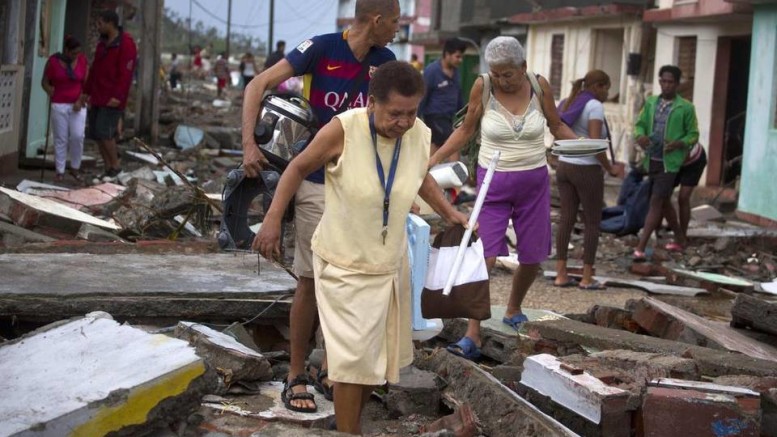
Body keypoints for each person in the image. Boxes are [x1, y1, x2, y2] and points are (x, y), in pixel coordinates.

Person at [255, 60, 469, 435]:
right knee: (354, 360)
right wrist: (272, 219)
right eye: (394, 114)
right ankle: (349, 431)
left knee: (378, 359)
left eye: (410, 112)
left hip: (389, 263)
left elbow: (419, 176)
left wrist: (450, 213)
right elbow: (297, 168)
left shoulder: (417, 133)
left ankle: (346, 419)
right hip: (344, 262)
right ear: (371, 103)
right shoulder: (344, 129)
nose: (403, 122)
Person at [241, 0, 399, 415]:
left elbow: (393, 124)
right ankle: (296, 372)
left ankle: (332, 366)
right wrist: (249, 145)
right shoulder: (321, 49)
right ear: (377, 19)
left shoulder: (386, 62)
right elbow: (257, 85)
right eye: (397, 21)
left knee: (349, 280)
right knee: (311, 280)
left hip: (361, 189)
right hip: (314, 180)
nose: (399, 30)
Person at [428, 36, 577, 360]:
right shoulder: (483, 87)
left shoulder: (539, 87)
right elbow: (466, 130)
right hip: (492, 184)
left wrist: (586, 146)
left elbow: (556, 125)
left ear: (523, 68)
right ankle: (473, 332)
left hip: (534, 182)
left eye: (507, 74)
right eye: (496, 73)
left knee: (532, 255)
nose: (501, 79)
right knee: (486, 256)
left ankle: (513, 308)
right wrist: (433, 159)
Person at [553, 70, 620, 289]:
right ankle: (587, 277)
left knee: (566, 219)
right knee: (592, 222)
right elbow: (594, 143)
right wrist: (610, 167)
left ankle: (561, 274)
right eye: (606, 88)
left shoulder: (567, 102)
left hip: (564, 165)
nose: (607, 93)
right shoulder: (594, 106)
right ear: (598, 86)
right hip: (587, 169)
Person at [633, 65, 699, 260]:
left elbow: (693, 134)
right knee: (663, 202)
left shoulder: (686, 107)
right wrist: (640, 136)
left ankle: (641, 246)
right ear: (659, 81)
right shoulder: (652, 103)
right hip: (651, 159)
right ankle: (680, 238)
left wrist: (680, 143)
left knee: (656, 201)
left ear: (677, 84)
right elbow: (639, 125)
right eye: (663, 81)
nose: (666, 85)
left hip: (671, 163)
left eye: (671, 82)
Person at [82, 9, 137, 183]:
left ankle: (116, 165)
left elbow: (126, 74)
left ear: (109, 23)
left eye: (100, 24)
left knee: (106, 133)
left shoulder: (125, 43)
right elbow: (95, 70)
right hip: (98, 95)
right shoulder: (102, 44)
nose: (98, 27)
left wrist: (118, 96)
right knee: (97, 133)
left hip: (112, 98)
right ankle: (108, 168)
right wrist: (86, 92)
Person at [41, 35, 88, 183]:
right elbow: (44, 82)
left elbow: (87, 85)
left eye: (78, 53)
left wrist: (81, 100)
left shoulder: (82, 61)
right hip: (59, 104)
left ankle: (75, 167)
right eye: (73, 53)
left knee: (77, 136)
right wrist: (50, 91)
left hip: (77, 105)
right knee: (60, 138)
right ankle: (60, 171)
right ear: (66, 50)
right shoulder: (53, 61)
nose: (76, 56)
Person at [419, 38, 466, 158]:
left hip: (448, 117)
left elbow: (458, 94)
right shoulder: (432, 71)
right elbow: (423, 95)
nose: (460, 60)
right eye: (457, 56)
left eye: (461, 57)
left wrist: (463, 115)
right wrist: (416, 117)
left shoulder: (455, 73)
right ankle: (456, 175)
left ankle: (425, 170)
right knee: (453, 143)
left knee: (436, 145)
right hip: (434, 116)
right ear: (447, 54)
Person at [665, 142, 707, 250]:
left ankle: (681, 236)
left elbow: (684, 153)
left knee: (683, 198)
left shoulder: (681, 133)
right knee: (663, 196)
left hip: (694, 160)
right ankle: (664, 227)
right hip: (674, 160)